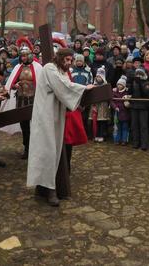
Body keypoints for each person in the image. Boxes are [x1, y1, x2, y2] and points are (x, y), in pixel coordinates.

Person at [26, 48, 93, 207]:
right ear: (60, 58)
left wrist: (79, 103)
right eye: (67, 60)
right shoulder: (50, 68)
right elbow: (63, 87)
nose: (69, 63)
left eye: (71, 60)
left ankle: (42, 188)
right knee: (47, 152)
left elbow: (66, 87)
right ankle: (49, 190)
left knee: (52, 151)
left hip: (56, 117)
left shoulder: (61, 72)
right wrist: (84, 88)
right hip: (45, 117)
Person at [4, 46, 42, 158]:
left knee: (35, 125)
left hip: (34, 99)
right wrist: (14, 85)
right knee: (24, 126)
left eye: (25, 55)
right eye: (22, 56)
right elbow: (12, 82)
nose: (23, 58)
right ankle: (27, 148)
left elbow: (41, 83)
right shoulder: (17, 67)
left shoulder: (38, 67)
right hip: (21, 99)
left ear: (30, 55)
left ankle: (36, 148)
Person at [129, 67, 149, 150]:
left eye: (140, 74)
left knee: (143, 125)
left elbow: (146, 94)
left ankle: (144, 144)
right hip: (134, 106)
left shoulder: (146, 83)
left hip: (143, 107)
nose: (138, 76)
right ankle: (136, 142)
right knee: (134, 125)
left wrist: (140, 84)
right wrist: (131, 84)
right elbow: (130, 92)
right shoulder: (133, 82)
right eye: (137, 74)